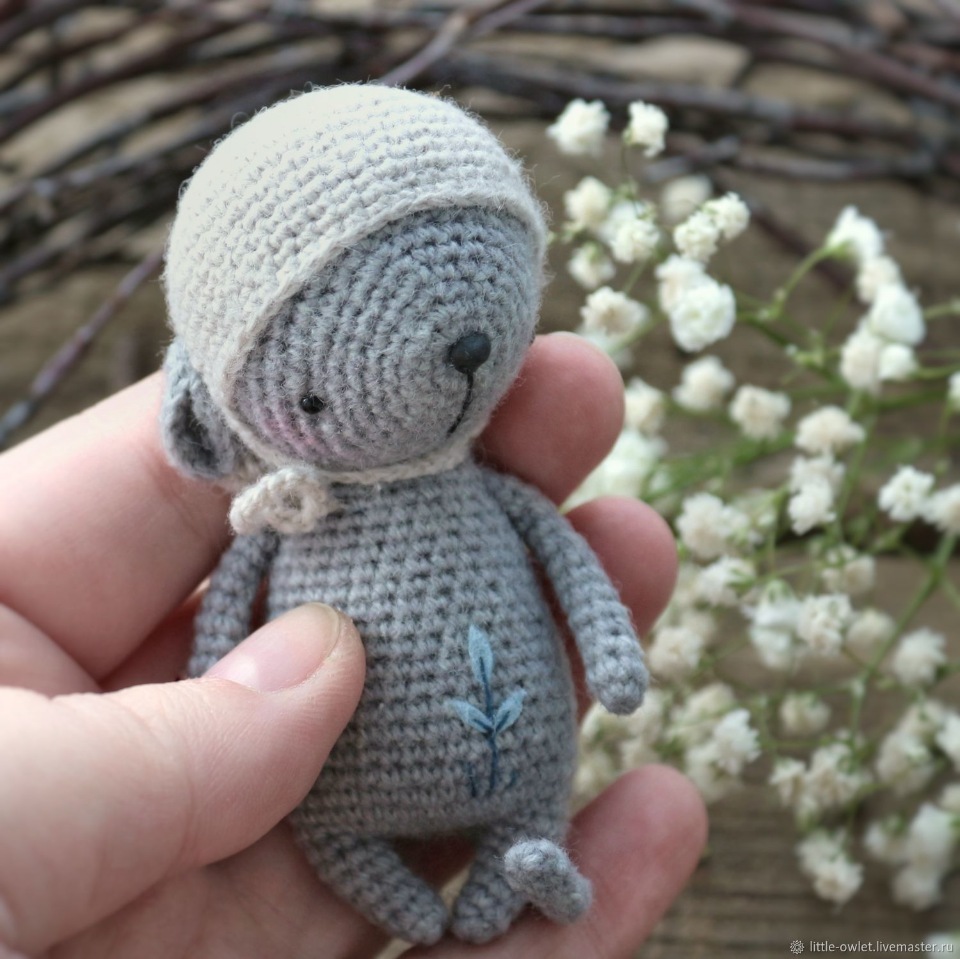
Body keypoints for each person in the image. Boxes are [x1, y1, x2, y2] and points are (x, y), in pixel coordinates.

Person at [0, 332, 706, 958]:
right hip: (338, 780)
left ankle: (517, 876)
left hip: (513, 760)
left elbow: (566, 555)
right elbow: (221, 622)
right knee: (338, 834)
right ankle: (427, 890)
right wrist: (214, 709)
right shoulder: (292, 511)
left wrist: (609, 648)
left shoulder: (481, 493)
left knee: (505, 828)